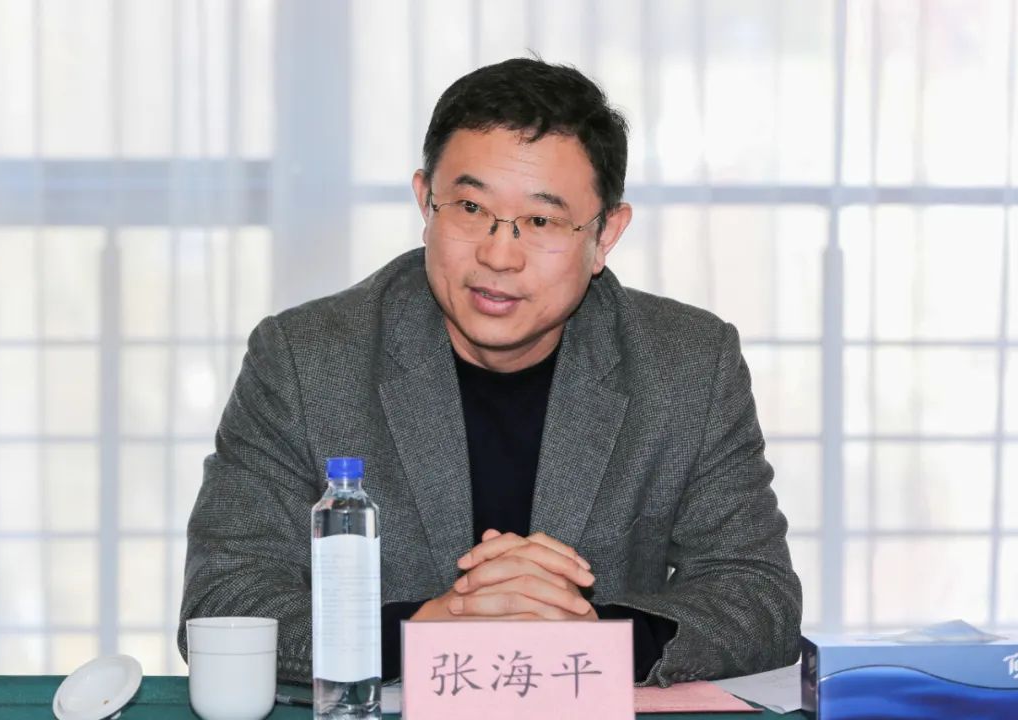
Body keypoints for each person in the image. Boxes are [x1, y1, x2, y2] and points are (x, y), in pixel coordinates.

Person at [178, 57, 801, 687]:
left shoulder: (687, 364)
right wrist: (420, 634)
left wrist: (591, 638)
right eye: (470, 207)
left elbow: (758, 595)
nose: (499, 255)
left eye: (541, 221)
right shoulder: (305, 359)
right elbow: (225, 597)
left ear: (606, 234)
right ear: (425, 202)